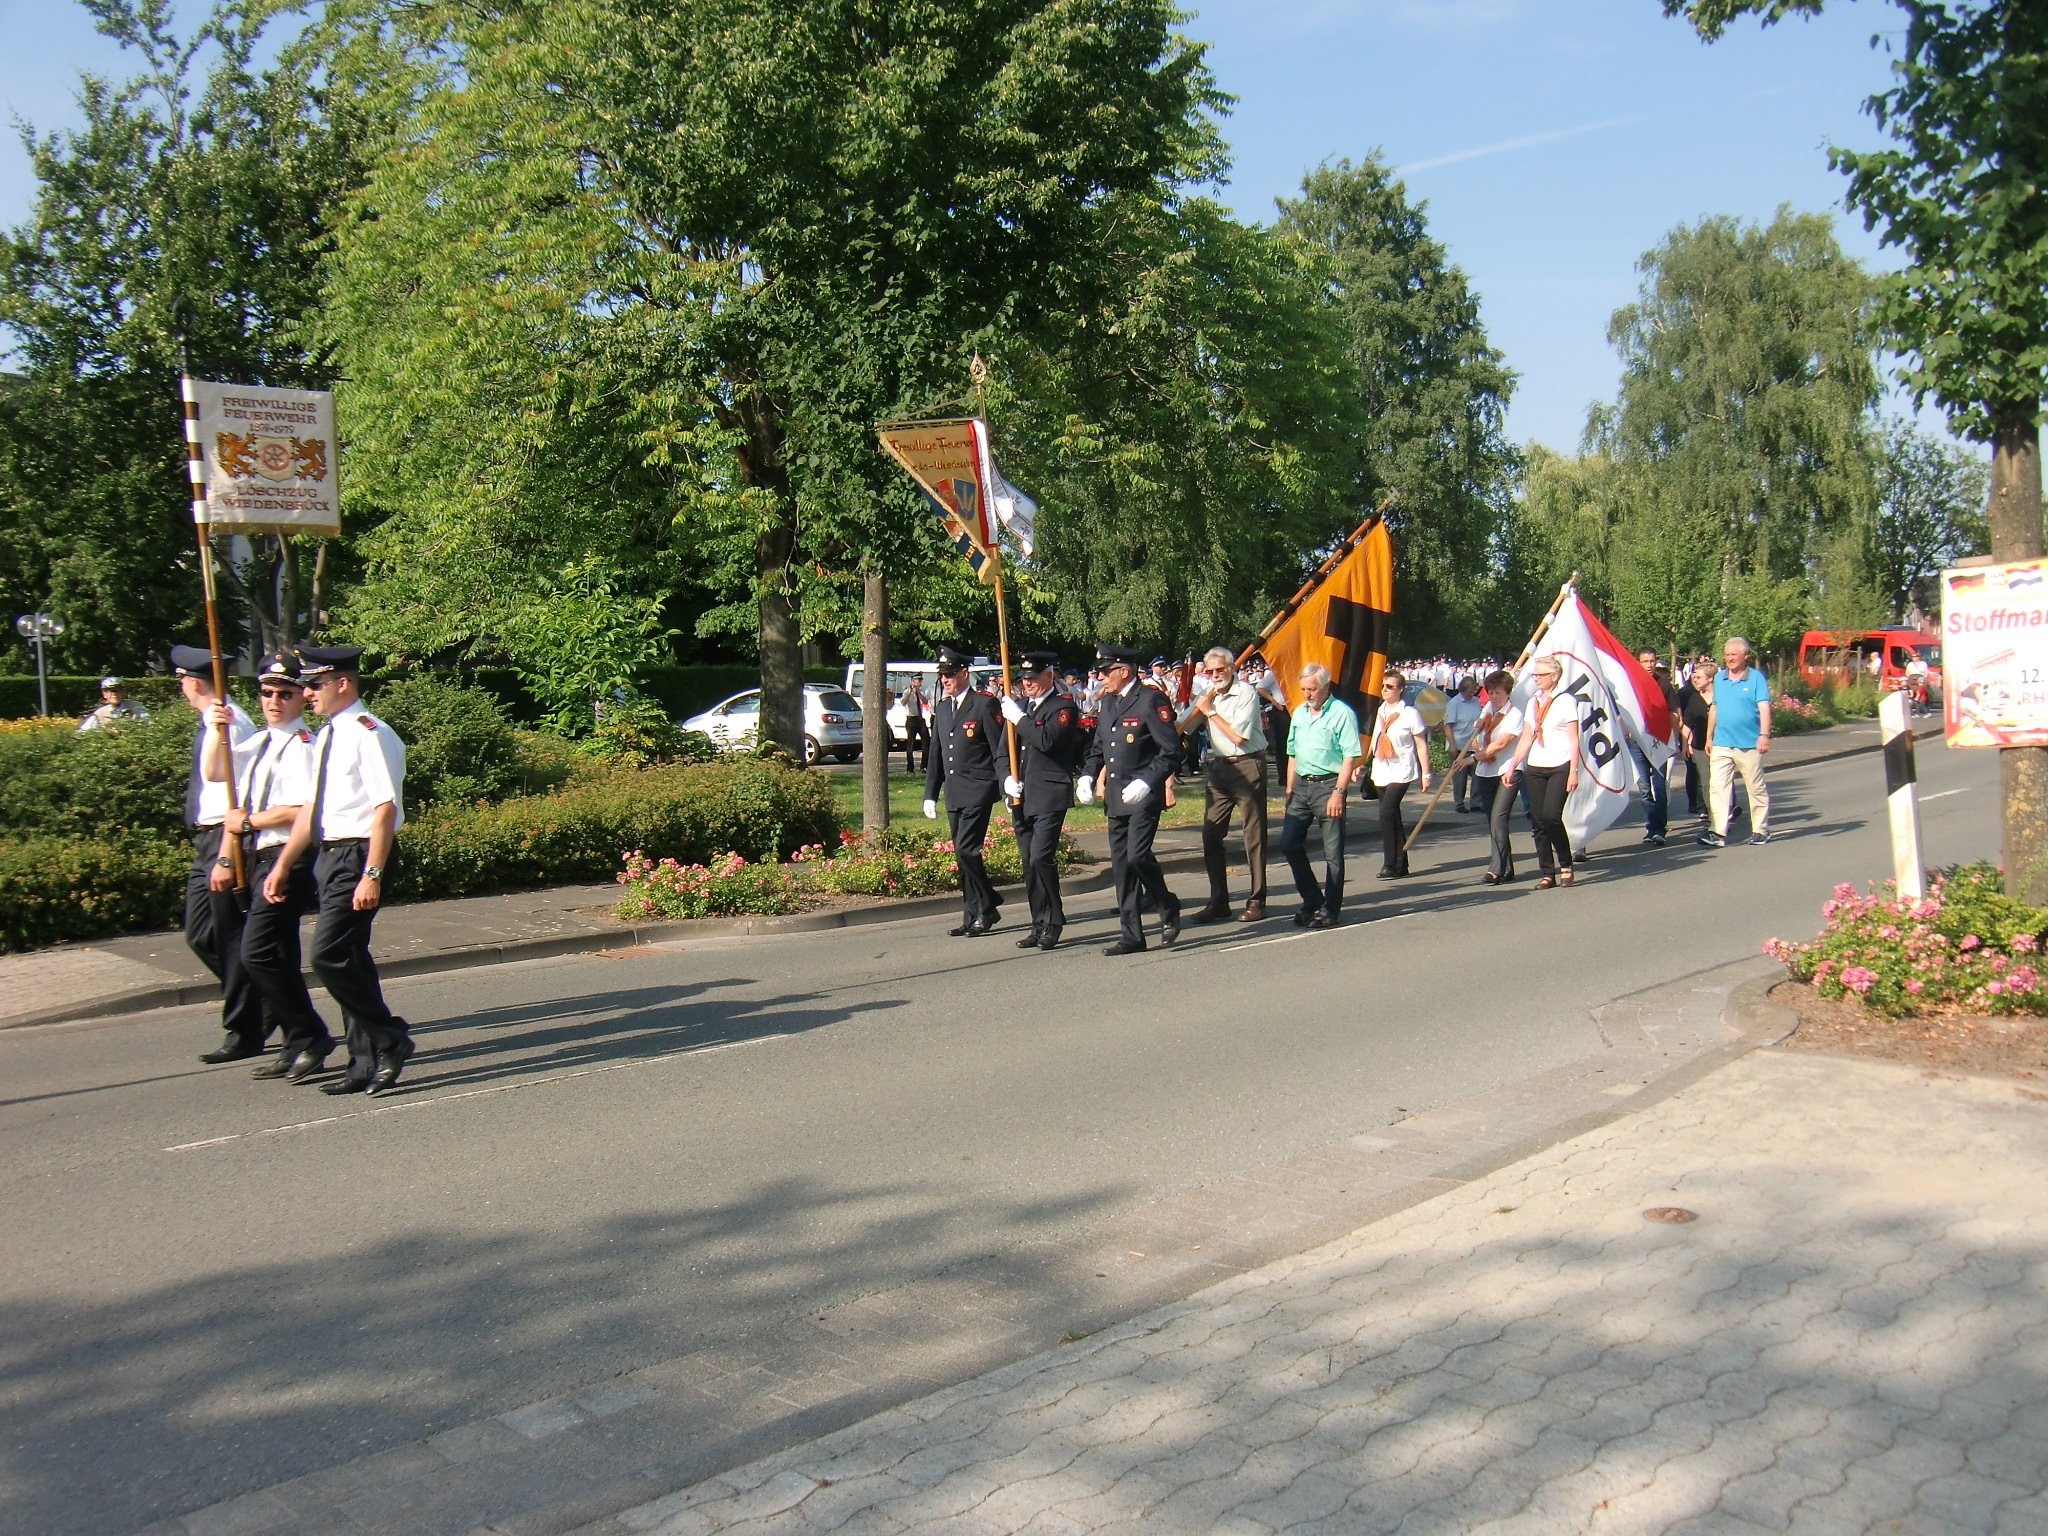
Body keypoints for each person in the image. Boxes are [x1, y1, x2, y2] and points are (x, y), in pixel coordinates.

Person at [266, 645, 414, 1095]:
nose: (307, 693)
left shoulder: (370, 733)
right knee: (349, 957)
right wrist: (284, 864)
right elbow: (313, 807)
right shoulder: (329, 734)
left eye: (314, 684)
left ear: (342, 683)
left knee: (327, 955)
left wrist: (372, 874)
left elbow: (385, 808)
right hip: (330, 854)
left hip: (359, 854)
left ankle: (390, 1037)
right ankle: (363, 1061)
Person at [203, 654, 331, 1081]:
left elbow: (300, 810)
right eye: (266, 692)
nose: (273, 701)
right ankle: (297, 1043)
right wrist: (216, 728)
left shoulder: (303, 746)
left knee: (255, 952)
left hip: (285, 857)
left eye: (284, 693)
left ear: (301, 697)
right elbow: (216, 772)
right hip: (254, 857)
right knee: (276, 953)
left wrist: (250, 823)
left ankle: (310, 1035)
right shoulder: (260, 741)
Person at [171, 644, 262, 1064]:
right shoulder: (214, 719)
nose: (182, 688)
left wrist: (227, 853)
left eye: (183, 681)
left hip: (225, 838)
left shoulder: (230, 722)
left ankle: (246, 1029)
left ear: (193, 682)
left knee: (228, 937)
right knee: (201, 933)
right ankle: (265, 1000)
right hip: (208, 839)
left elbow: (239, 793)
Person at [1080, 643, 1182, 955]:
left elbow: (1171, 750)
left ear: (1123, 671)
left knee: (1137, 857)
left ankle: (1166, 903)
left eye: (1105, 672)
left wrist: (1147, 780)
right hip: (1116, 795)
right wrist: (1087, 775)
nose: (1100, 677)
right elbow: (1099, 748)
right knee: (1121, 867)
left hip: (1141, 795)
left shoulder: (1150, 699)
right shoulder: (1109, 702)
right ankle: (1132, 935)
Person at [998, 651, 1083, 950]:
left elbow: (1046, 741)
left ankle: (1055, 919)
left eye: (1033, 678)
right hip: (1022, 796)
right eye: (1024, 678)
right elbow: (1002, 752)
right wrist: (1006, 781)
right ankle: (1038, 923)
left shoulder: (1063, 706)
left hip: (1049, 794)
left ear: (1050, 676)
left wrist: (1020, 719)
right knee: (1029, 864)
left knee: (1040, 858)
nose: (1027, 683)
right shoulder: (1019, 708)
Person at [923, 645, 1006, 936]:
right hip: (955, 791)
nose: (944, 679)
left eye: (950, 674)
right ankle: (975, 913)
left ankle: (987, 905)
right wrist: (930, 793)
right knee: (962, 856)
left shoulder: (983, 704)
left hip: (979, 788)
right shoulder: (944, 708)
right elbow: (936, 753)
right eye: (942, 675)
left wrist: (1006, 784)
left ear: (964, 673)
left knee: (967, 850)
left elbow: (998, 749)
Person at [1184, 646, 1270, 924]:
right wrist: (1189, 710)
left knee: (1253, 837)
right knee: (1210, 836)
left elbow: (1238, 737)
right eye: (1210, 671)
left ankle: (1257, 901)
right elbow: (1180, 726)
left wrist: (1210, 712)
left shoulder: (1246, 693)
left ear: (1231, 668)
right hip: (1219, 767)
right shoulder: (1207, 695)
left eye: (1220, 669)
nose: (1215, 675)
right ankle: (1219, 900)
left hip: (1247, 764)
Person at [1278, 661, 1360, 928]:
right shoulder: (1299, 713)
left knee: (1332, 852)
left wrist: (1339, 792)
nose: (1307, 694)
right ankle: (1312, 898)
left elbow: (1349, 757)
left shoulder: (1341, 713)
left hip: (1328, 786)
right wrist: (1290, 787)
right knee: (1289, 844)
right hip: (1301, 786)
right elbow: (1292, 752)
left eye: (1312, 689)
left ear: (1325, 686)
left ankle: (1330, 909)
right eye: (1303, 689)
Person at [1502, 654, 1581, 889]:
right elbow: (1527, 736)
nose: (1536, 678)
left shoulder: (1566, 701)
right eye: (1534, 674)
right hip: (1536, 765)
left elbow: (1574, 739)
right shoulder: (1532, 702)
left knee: (1551, 815)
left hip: (1560, 764)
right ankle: (1547, 872)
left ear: (1554, 676)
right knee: (1537, 820)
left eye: (1540, 674)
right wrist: (1512, 765)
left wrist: (1574, 770)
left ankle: (1565, 863)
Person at [1699, 636, 1772, 849]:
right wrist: (1709, 737)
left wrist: (1764, 735)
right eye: (1727, 654)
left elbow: (1764, 707)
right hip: (1722, 742)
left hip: (1748, 744)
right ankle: (1717, 831)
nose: (1730, 658)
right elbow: (1714, 707)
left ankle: (1760, 830)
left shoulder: (1755, 678)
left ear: (1745, 656)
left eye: (1734, 654)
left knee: (1755, 787)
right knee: (1717, 787)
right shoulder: (1719, 678)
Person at [1366, 672, 1430, 879]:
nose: (1385, 689)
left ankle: (1390, 863)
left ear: (1400, 689)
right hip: (1381, 768)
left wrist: (1426, 773)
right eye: (1383, 686)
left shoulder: (1410, 713)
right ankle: (1402, 863)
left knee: (1386, 813)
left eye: (1390, 686)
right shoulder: (1379, 711)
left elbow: (1421, 745)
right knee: (1392, 815)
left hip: (1402, 769)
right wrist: (1360, 763)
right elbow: (1372, 740)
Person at [1470, 668, 1523, 885]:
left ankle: (1496, 868)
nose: (1493, 697)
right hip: (1485, 771)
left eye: (1498, 693)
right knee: (1492, 821)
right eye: (1490, 692)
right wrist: (1477, 735)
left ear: (1508, 693)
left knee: (1498, 819)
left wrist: (1473, 758)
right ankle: (1507, 868)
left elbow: (1501, 743)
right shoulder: (1488, 711)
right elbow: (1476, 739)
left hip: (1507, 770)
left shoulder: (1514, 715)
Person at [1631, 646, 1674, 848]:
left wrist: (1676, 739)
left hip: (1658, 741)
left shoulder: (1663, 684)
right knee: (1644, 787)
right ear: (1637, 662)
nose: (1649, 665)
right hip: (1637, 742)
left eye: (1652, 661)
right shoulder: (1630, 684)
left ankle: (1659, 828)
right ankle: (1651, 826)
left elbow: (1675, 712)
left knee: (1659, 786)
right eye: (1645, 661)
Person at [1440, 674, 1484, 812]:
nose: (1472, 693)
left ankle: (1476, 803)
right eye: (1470, 691)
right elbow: (1447, 726)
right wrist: (1452, 745)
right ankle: (1459, 803)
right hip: (1459, 745)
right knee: (1460, 777)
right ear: (1463, 689)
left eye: (1474, 690)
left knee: (1477, 774)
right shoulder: (1454, 704)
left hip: (1474, 744)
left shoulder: (1476, 701)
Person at [1676, 660, 1712, 819]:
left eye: (1698, 677)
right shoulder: (1693, 699)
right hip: (1700, 745)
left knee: (1723, 780)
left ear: (1710, 678)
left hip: (1721, 744)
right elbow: (1687, 724)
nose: (1694, 679)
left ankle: (1727, 807)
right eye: (1694, 677)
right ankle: (1709, 810)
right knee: (1705, 782)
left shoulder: (1721, 697)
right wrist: (1685, 745)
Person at [75, 676, 149, 733]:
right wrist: (104, 732)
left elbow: (150, 726)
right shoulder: (100, 713)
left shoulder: (137, 707)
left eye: (117, 690)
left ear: (123, 692)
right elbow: (82, 732)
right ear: (104, 694)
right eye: (110, 691)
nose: (114, 694)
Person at [898, 674, 929, 773]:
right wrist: (910, 692)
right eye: (917, 680)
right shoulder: (907, 691)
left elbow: (925, 701)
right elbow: (903, 702)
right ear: (913, 681)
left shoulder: (922, 691)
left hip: (920, 719)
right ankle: (910, 768)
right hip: (911, 719)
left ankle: (924, 766)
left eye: (920, 680)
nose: (919, 682)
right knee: (910, 744)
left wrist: (918, 692)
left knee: (926, 742)